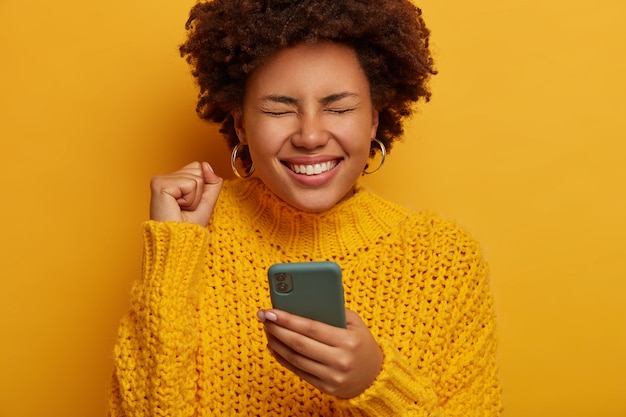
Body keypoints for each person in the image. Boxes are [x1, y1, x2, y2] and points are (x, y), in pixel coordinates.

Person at [108, 0, 502, 415]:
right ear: (241, 123)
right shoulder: (191, 235)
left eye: (339, 107)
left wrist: (376, 385)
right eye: (279, 109)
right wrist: (173, 257)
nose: (310, 135)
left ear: (373, 119)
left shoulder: (446, 259)